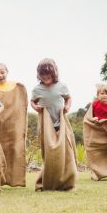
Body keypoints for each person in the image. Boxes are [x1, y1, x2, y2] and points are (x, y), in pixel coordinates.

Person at [30, 58, 77, 191]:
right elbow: (32, 101)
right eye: (42, 75)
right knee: (50, 154)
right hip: (46, 125)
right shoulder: (37, 89)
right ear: (39, 75)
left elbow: (68, 97)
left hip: (61, 123)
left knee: (66, 152)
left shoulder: (61, 86)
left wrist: (67, 106)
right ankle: (47, 182)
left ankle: (67, 182)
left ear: (54, 73)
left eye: (48, 75)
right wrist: (35, 107)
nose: (45, 77)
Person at [0, 63, 28, 187]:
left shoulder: (16, 87)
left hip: (14, 124)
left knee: (15, 148)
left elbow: (21, 105)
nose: (0, 75)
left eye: (2, 72)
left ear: (7, 72)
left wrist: (21, 88)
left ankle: (16, 179)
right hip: (0, 124)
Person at [83, 84, 107, 180]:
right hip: (97, 131)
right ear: (98, 95)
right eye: (102, 93)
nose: (104, 95)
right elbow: (88, 117)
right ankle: (96, 172)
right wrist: (93, 119)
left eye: (106, 93)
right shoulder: (94, 104)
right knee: (96, 151)